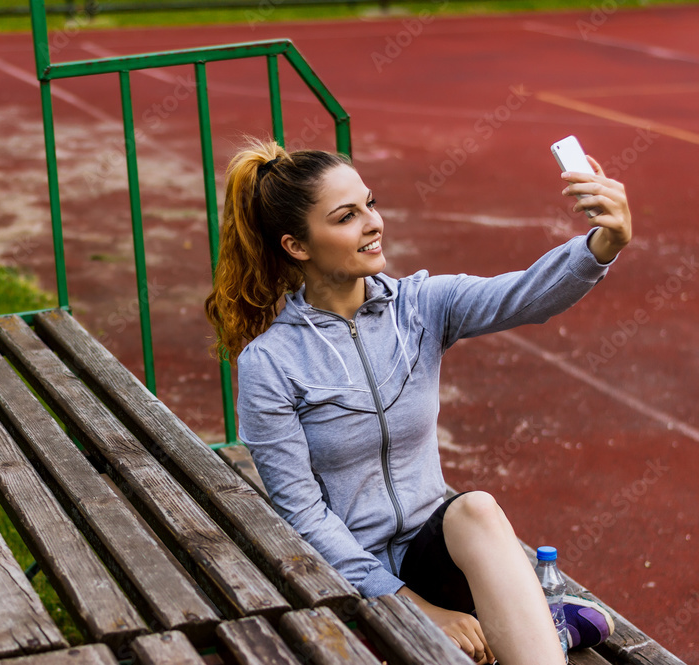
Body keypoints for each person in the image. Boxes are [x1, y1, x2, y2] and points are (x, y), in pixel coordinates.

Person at [205, 139, 629, 664]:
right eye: (346, 216)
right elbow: (305, 516)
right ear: (297, 246)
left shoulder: (420, 306)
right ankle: (543, 629)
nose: (372, 222)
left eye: (371, 204)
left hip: (435, 553)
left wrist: (601, 245)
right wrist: (411, 605)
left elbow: (525, 295)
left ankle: (531, 633)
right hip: (346, 578)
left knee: (475, 508)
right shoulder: (271, 362)